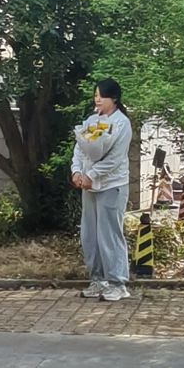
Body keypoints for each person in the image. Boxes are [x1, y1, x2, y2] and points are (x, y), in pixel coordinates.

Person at [73, 80, 135, 302]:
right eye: (96, 95)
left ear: (114, 98)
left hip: (111, 185)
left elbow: (115, 159)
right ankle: (98, 279)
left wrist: (92, 175)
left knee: (109, 234)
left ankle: (118, 283)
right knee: (90, 234)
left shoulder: (122, 123)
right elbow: (80, 150)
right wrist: (77, 172)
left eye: (102, 96)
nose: (97, 99)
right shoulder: (92, 120)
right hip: (88, 186)